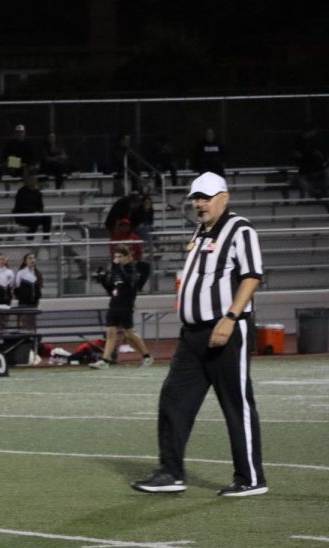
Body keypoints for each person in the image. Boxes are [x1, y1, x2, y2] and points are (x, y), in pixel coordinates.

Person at [133, 173, 267, 497]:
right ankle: (170, 472)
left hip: (225, 330)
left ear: (225, 196)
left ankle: (250, 478)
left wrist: (231, 318)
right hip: (192, 335)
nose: (199, 203)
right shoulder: (200, 231)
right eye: (196, 198)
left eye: (206, 197)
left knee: (236, 403)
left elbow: (251, 276)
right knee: (173, 399)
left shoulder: (240, 229)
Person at [91, 245, 153, 370]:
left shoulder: (132, 271)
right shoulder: (115, 270)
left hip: (126, 306)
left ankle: (146, 356)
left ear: (128, 257)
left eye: (120, 256)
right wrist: (102, 279)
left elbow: (128, 283)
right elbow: (111, 289)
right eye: (115, 256)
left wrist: (115, 267)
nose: (117, 259)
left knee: (129, 334)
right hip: (114, 304)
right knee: (110, 333)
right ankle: (105, 360)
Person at [13, 174, 51, 239]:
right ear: (27, 182)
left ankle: (46, 239)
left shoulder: (37, 192)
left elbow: (41, 205)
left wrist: (39, 212)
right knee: (35, 219)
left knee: (47, 218)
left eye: (34, 180)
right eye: (31, 180)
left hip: (35, 215)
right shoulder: (21, 192)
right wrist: (33, 212)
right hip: (22, 215)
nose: (33, 181)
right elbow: (21, 206)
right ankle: (30, 238)